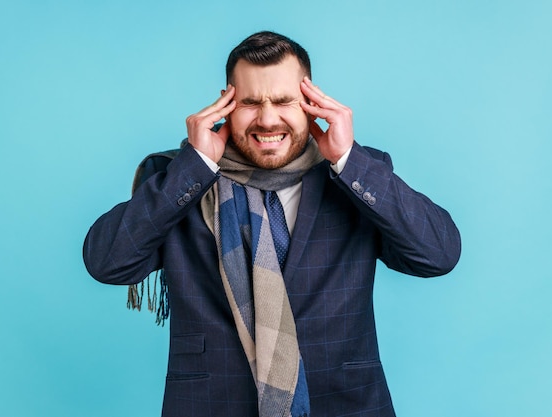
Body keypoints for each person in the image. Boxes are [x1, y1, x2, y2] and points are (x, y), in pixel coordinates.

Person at [83, 31, 461, 417]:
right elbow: (107, 263)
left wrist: (348, 159)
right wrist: (194, 168)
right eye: (250, 102)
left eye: (283, 101)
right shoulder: (179, 177)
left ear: (311, 104)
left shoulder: (357, 175)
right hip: (214, 405)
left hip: (343, 402)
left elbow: (439, 254)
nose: (267, 119)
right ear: (225, 104)